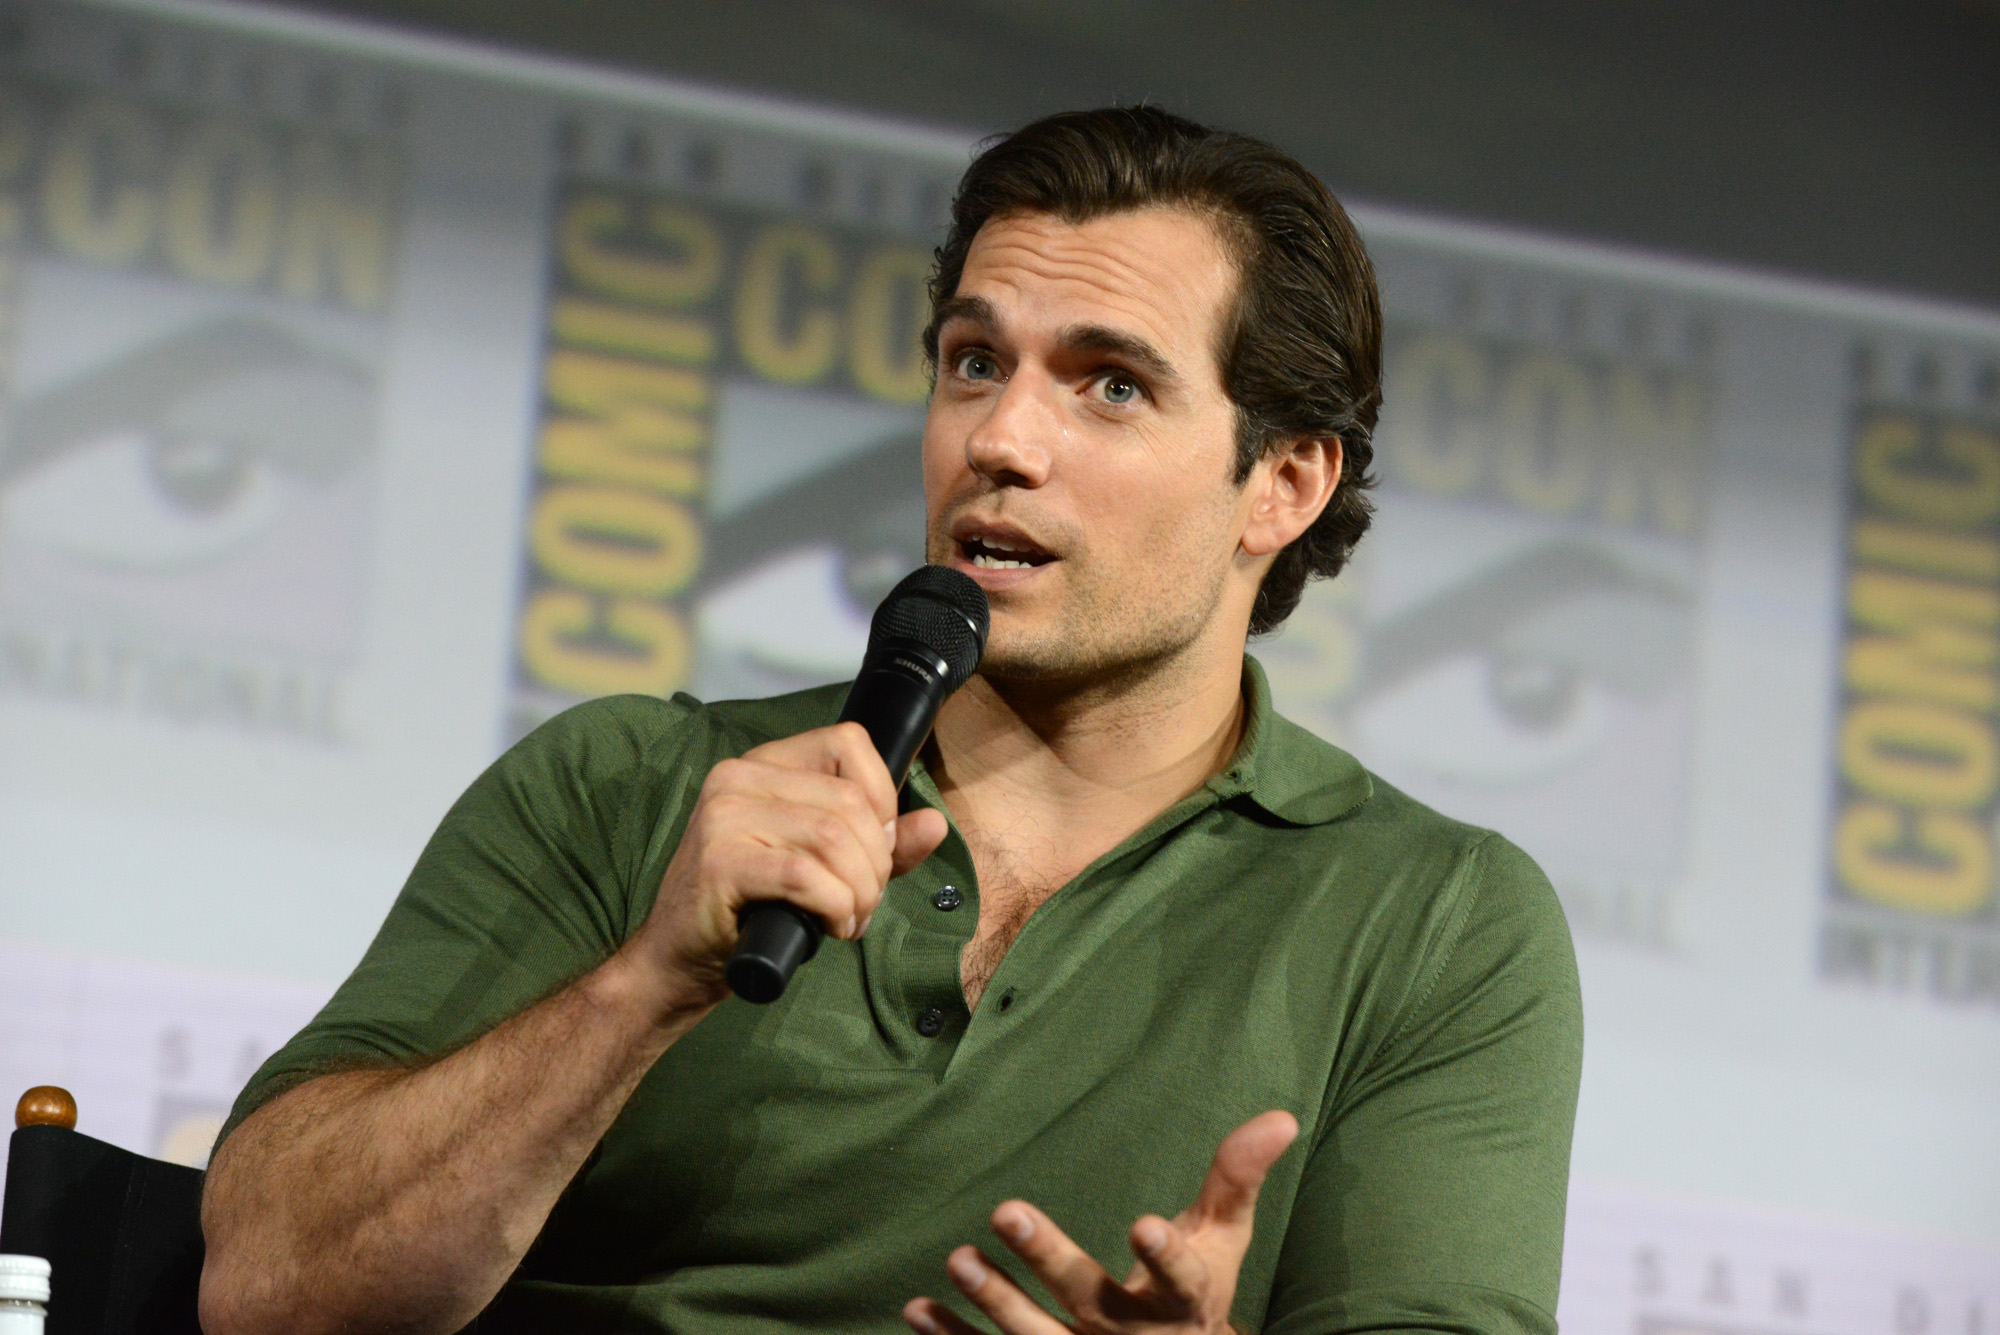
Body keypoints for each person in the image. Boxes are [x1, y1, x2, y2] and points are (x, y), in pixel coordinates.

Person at [198, 106, 1582, 1335]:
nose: (1001, 441)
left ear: (1281, 483)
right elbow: (267, 1289)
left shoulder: (1438, 923)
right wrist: (638, 992)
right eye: (975, 362)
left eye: (1110, 385)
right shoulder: (633, 782)